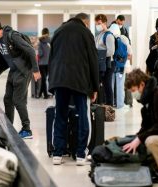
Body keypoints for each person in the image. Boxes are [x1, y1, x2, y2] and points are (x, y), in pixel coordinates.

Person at [0, 18, 41, 139]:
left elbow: (30, 50)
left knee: (18, 100)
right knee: (7, 99)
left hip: (24, 70)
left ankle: (27, 130)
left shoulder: (12, 36)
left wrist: (35, 70)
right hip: (13, 70)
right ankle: (8, 127)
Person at [48, 13, 99, 166]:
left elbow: (52, 58)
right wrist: (95, 87)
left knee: (60, 115)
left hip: (60, 80)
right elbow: (93, 60)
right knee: (83, 115)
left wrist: (52, 82)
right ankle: (81, 154)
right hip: (79, 80)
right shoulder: (86, 33)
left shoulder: (58, 31)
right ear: (85, 22)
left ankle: (58, 154)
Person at [108, 23, 132, 109]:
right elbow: (129, 52)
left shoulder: (109, 37)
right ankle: (120, 104)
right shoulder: (124, 38)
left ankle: (111, 103)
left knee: (110, 85)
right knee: (120, 85)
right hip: (121, 66)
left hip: (110, 65)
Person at [95, 14, 116, 106]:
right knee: (103, 84)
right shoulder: (99, 35)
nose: (97, 26)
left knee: (107, 84)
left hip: (108, 63)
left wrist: (99, 54)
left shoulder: (109, 35)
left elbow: (111, 51)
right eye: (96, 24)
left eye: (99, 23)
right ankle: (103, 104)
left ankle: (109, 106)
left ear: (104, 23)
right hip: (101, 62)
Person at [37, 28, 51, 99]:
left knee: (43, 79)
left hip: (42, 64)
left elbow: (40, 54)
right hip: (48, 63)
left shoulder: (40, 43)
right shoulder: (49, 42)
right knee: (44, 79)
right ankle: (44, 94)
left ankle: (41, 94)